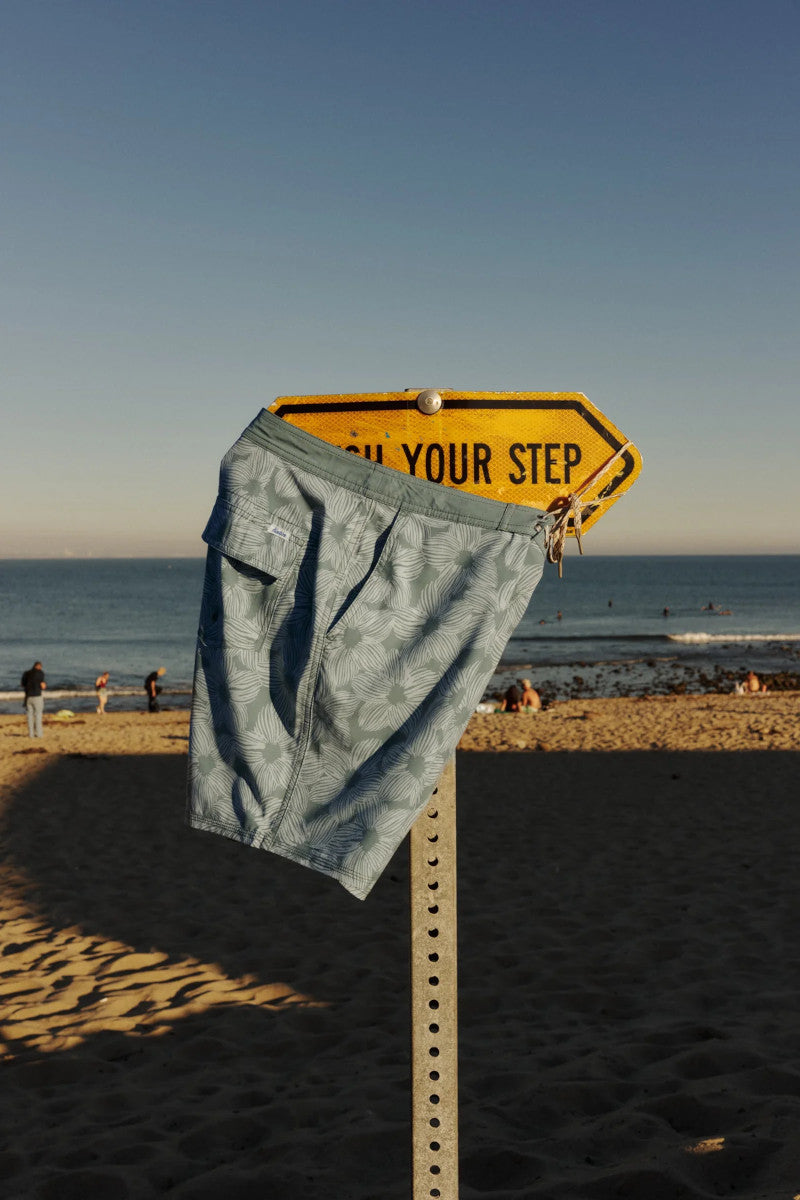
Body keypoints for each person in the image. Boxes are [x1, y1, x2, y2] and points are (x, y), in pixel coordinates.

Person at [21, 661, 47, 738]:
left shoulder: (26, 673)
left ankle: (31, 734)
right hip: (37, 696)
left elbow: (22, 684)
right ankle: (39, 734)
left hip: (28, 697)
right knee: (38, 715)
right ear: (39, 666)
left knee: (29, 716)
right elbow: (43, 686)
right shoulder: (40, 673)